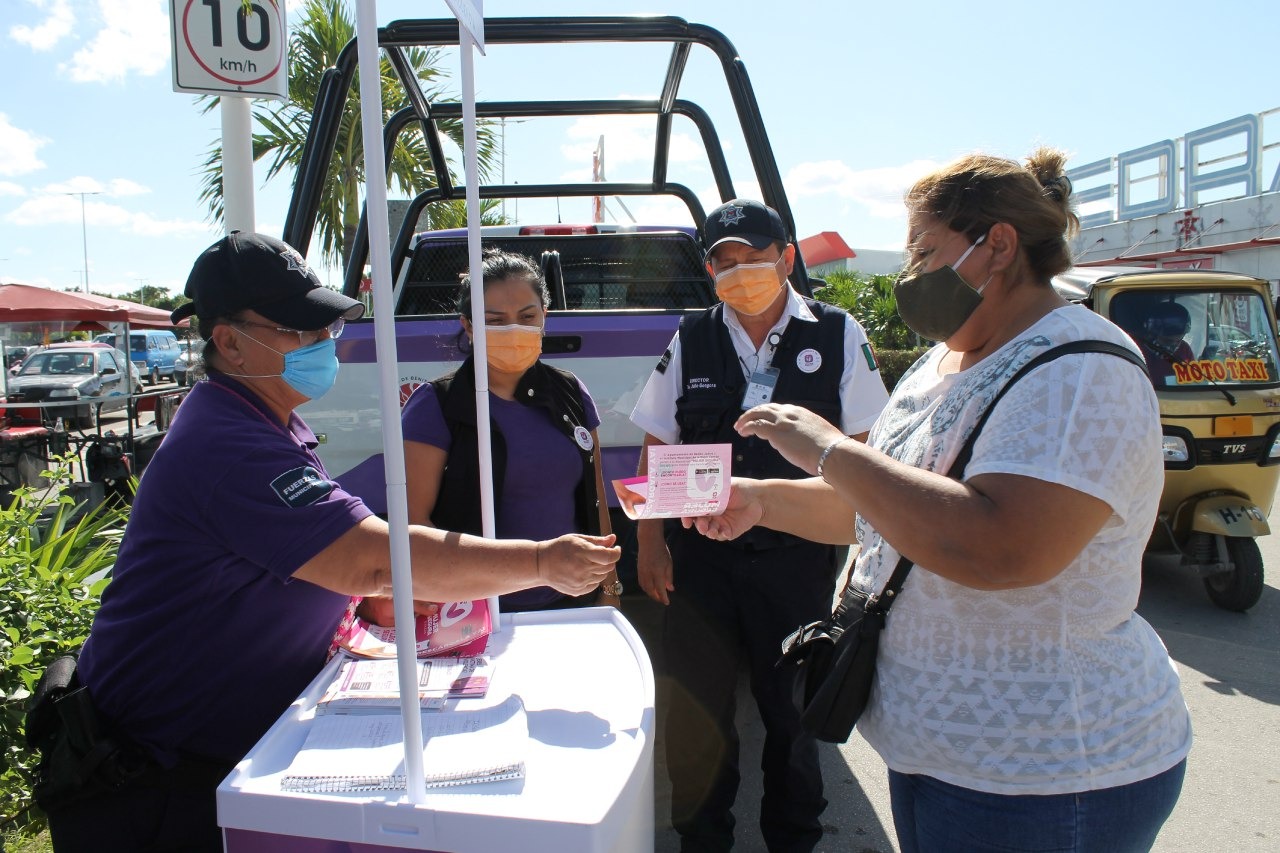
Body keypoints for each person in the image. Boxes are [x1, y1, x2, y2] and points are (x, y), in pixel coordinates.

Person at [35, 232, 620, 852]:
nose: (321, 343)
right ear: (229, 341)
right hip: (156, 780)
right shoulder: (228, 445)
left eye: (325, 327)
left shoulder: (270, 422)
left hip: (223, 754)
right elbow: (375, 560)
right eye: (298, 329)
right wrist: (542, 560)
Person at [687, 151, 1191, 853]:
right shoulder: (943, 361)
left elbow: (1003, 547)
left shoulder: (1078, 368)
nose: (910, 274)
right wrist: (759, 499)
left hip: (1047, 774)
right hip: (941, 755)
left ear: (1000, 245)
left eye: (926, 249)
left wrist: (831, 448)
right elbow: (883, 510)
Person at [629, 199, 889, 852]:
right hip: (702, 562)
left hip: (797, 560)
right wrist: (651, 542)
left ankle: (794, 838)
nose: (740, 271)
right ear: (710, 269)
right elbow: (659, 441)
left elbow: (865, 449)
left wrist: (861, 554)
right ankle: (703, 840)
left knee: (794, 715)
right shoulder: (693, 336)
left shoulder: (837, 334)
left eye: (754, 257)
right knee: (696, 716)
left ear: (787, 258)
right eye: (724, 261)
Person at [396, 248, 621, 613]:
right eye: (494, 320)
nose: (513, 329)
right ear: (468, 326)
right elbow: (414, 524)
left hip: (569, 603)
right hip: (473, 613)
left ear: (545, 317)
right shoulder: (437, 404)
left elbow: (595, 501)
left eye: (527, 316)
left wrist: (609, 590)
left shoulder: (571, 392)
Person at [1137, 300, 1195, 385]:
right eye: (1168, 341)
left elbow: (1191, 378)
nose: (1175, 346)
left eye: (1179, 340)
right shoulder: (1137, 351)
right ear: (1152, 336)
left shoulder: (1184, 348)